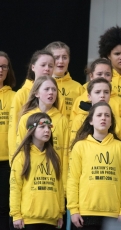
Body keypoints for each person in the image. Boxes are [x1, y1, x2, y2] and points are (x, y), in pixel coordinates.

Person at [67, 102, 121, 230]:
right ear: (91, 121)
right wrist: (74, 210)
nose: (103, 118)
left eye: (107, 115)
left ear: (111, 122)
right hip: (85, 213)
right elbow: (73, 180)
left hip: (113, 214)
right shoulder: (80, 146)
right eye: (99, 115)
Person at [8, 50, 66, 161]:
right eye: (43, 65)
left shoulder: (58, 96)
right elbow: (14, 129)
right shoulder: (22, 93)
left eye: (50, 66)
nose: (47, 69)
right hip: (27, 158)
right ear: (33, 67)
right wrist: (13, 158)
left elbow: (61, 128)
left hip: (53, 158)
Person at [10, 112, 64, 229]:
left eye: (49, 127)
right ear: (32, 130)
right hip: (28, 220)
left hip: (51, 220)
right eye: (42, 126)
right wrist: (16, 215)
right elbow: (15, 188)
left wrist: (60, 212)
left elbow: (59, 187)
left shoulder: (54, 157)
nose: (47, 130)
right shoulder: (22, 157)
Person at [69, 58, 121, 128]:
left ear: (112, 77)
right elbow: (72, 126)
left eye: (107, 74)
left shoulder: (119, 102)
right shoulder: (80, 99)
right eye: (99, 74)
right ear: (91, 76)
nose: (103, 77)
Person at [70, 78, 121, 144]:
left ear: (110, 96)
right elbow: (73, 146)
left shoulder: (118, 122)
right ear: (89, 96)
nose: (102, 95)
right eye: (97, 92)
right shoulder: (79, 120)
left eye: (106, 92)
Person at [45, 41, 84, 119]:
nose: (61, 61)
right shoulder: (40, 86)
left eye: (64, 57)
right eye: (56, 57)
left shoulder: (79, 88)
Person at [0, 51, 16, 230]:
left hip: (7, 163)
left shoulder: (15, 97)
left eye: (4, 66)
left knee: (4, 208)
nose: (0, 70)